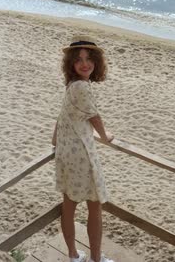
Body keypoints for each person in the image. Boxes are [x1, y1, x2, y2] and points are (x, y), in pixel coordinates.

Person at [52, 35, 114, 262]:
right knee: (95, 207)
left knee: (69, 205)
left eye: (89, 59)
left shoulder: (71, 85)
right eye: (78, 60)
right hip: (81, 155)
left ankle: (73, 255)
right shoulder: (81, 87)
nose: (84, 64)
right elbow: (94, 117)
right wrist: (105, 136)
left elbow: (63, 115)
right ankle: (96, 259)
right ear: (71, 64)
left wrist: (55, 139)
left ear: (96, 61)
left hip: (66, 153)